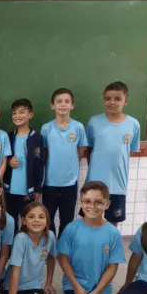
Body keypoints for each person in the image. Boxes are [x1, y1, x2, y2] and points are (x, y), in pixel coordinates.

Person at [58, 181, 125, 294]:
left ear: (107, 204)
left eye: (98, 202)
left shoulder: (113, 233)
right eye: (87, 201)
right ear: (80, 202)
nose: (92, 206)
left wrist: (97, 291)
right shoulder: (71, 229)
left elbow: (112, 266)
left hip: (100, 287)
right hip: (74, 284)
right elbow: (63, 259)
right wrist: (76, 285)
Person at [83, 82, 140, 226]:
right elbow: (89, 150)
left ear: (125, 101)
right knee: (90, 219)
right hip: (94, 183)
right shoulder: (93, 122)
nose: (112, 102)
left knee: (113, 223)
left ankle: (108, 248)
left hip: (118, 184)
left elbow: (129, 152)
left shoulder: (133, 124)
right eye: (108, 98)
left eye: (117, 99)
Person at [0, 202, 57, 294]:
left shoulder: (50, 237)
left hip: (33, 287)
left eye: (41, 217)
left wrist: (48, 283)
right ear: (24, 221)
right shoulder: (21, 238)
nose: (36, 220)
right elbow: (14, 273)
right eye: (31, 217)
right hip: (13, 288)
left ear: (47, 221)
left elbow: (52, 258)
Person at [40, 88, 88, 238]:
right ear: (52, 105)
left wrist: (70, 164)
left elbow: (81, 150)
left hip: (70, 181)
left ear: (72, 105)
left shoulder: (78, 127)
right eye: (59, 101)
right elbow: (44, 153)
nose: (63, 105)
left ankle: (63, 246)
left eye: (67, 101)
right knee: (48, 217)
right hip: (49, 181)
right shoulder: (46, 128)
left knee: (67, 219)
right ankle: (51, 243)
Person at [3, 98, 45, 234]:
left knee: (27, 222)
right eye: (14, 113)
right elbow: (3, 160)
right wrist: (9, 163)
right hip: (10, 190)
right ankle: (11, 250)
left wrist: (38, 188)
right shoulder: (8, 137)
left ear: (30, 114)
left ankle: (25, 249)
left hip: (28, 191)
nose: (17, 116)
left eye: (22, 112)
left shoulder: (37, 138)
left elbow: (40, 165)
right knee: (10, 222)